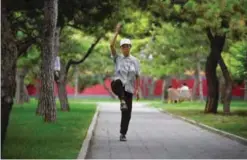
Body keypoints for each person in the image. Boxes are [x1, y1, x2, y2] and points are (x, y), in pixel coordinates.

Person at [110, 23, 141, 141]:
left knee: (127, 113)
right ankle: (122, 100)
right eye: (123, 46)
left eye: (127, 46)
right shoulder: (117, 58)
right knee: (117, 81)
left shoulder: (135, 61)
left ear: (130, 47)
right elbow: (111, 45)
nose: (125, 48)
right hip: (117, 86)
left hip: (129, 89)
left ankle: (123, 134)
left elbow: (138, 76)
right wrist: (116, 32)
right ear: (121, 48)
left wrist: (138, 89)